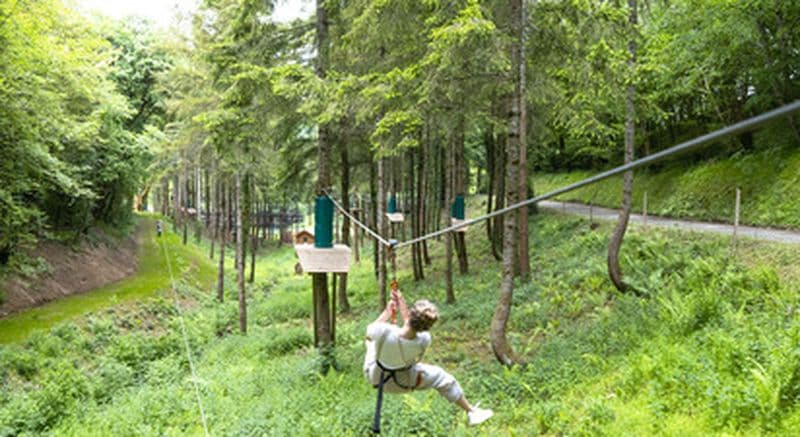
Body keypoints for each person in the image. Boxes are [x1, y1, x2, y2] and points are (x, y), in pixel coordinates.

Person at [363, 287, 493, 427]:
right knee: (442, 376)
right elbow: (412, 324)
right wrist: (401, 301)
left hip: (375, 377)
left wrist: (388, 311)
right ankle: (471, 411)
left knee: (370, 342)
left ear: (411, 314)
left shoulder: (383, 331)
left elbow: (370, 331)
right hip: (405, 382)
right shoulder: (424, 340)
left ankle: (472, 412)